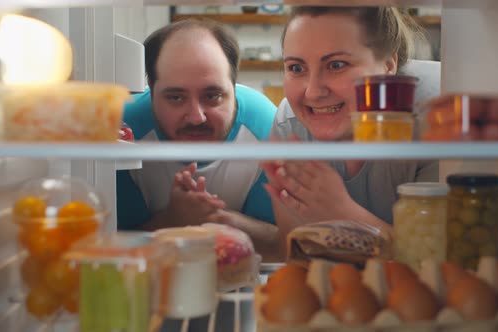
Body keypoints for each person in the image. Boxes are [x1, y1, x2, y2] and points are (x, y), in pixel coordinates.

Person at [261, 6, 439, 254]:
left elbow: (442, 260)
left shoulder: (438, 117)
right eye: (296, 68)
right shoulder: (289, 124)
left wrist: (342, 212)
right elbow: (297, 252)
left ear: (388, 66)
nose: (313, 92)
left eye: (336, 65)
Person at [116, 19, 279, 259]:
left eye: (212, 96)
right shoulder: (123, 132)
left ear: (234, 87)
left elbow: (283, 247)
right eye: (175, 98)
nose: (196, 117)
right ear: (150, 89)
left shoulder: (268, 128)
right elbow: (113, 244)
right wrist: (173, 219)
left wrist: (215, 219)